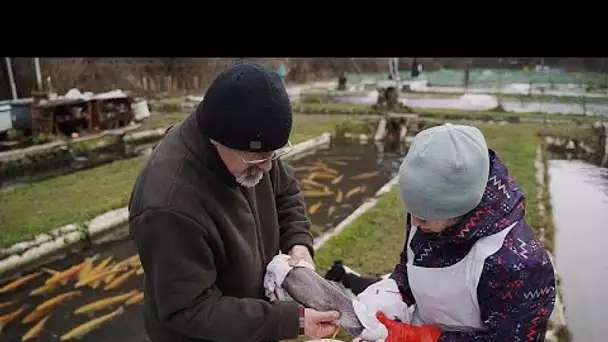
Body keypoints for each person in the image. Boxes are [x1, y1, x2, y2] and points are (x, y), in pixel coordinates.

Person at [128, 61, 340, 342]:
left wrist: (298, 244)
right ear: (217, 140)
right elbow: (190, 309)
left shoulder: (249, 147)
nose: (267, 167)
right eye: (259, 158)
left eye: (272, 155)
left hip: (249, 323)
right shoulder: (167, 206)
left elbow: (285, 191)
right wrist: (291, 320)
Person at [357, 123, 556, 341]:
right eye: (411, 210)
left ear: (460, 208)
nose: (414, 221)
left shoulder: (519, 264)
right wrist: (394, 290)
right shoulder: (426, 217)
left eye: (423, 216)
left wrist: (424, 338)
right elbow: (412, 264)